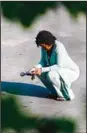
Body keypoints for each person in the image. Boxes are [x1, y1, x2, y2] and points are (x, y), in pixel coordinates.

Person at [30, 30, 80, 101]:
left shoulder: (59, 47)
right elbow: (43, 61)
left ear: (48, 43)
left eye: (43, 46)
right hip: (57, 70)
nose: (42, 48)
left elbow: (59, 66)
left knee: (51, 74)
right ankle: (54, 93)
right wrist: (36, 67)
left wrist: (42, 70)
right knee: (40, 73)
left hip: (70, 71)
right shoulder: (44, 48)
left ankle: (65, 95)